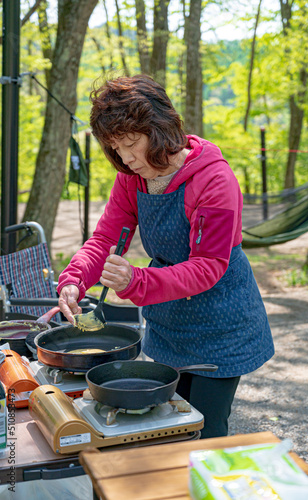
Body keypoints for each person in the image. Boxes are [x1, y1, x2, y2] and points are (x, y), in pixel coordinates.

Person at [57, 74, 274, 438]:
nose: (125, 158)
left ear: (157, 130)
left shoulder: (215, 180)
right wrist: (75, 278)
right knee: (167, 425)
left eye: (131, 144)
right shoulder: (131, 176)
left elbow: (209, 267)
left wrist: (135, 281)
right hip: (170, 320)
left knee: (204, 427)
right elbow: (106, 237)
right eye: (115, 147)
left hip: (221, 323)